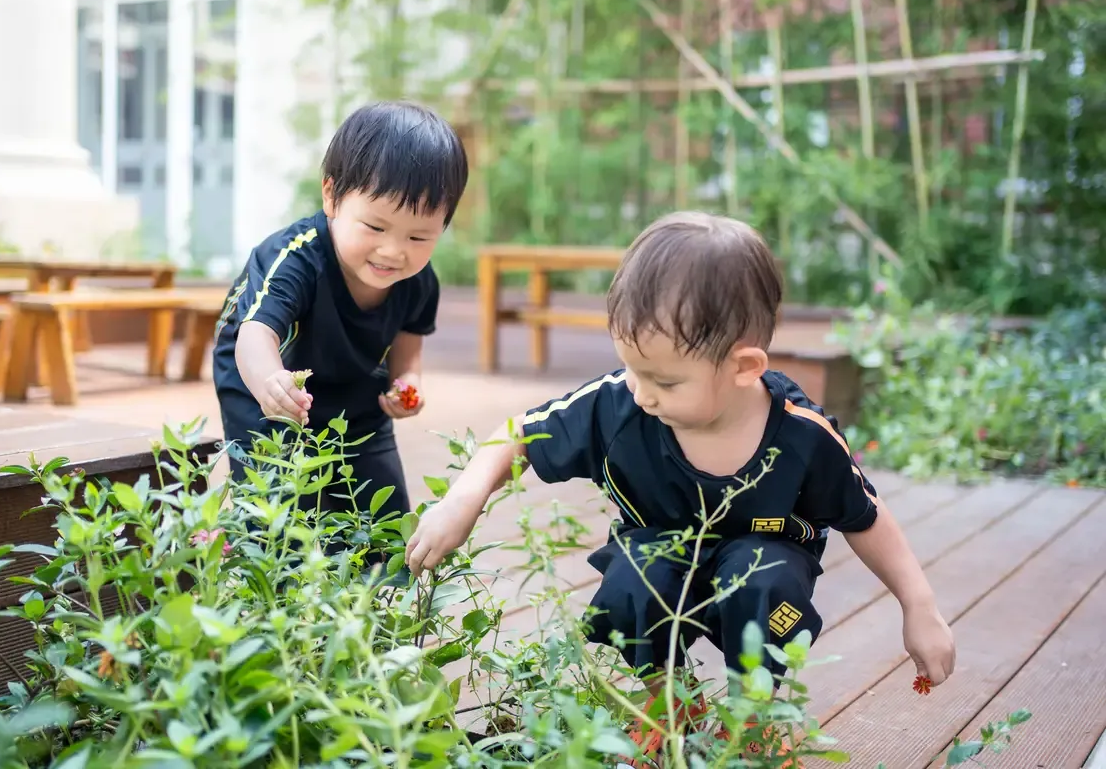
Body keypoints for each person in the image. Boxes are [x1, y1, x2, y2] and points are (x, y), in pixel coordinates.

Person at [403, 211, 956, 763]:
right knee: (629, 586)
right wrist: (463, 500)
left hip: (765, 562)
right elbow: (518, 436)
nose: (641, 393)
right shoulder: (621, 404)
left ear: (744, 367)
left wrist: (919, 606)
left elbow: (865, 515)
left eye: (665, 380)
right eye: (630, 368)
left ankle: (755, 719)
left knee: (760, 582)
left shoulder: (801, 437)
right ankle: (668, 707)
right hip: (663, 552)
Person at [212, 100, 468, 523]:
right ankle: (286, 577)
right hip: (267, 378)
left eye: (419, 237)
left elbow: (408, 340)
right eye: (375, 227)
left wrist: (407, 383)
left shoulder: (419, 280)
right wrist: (272, 384)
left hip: (354, 379)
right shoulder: (294, 258)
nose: (393, 251)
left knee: (382, 516)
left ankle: (379, 578)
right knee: (278, 511)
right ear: (332, 196)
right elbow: (255, 334)